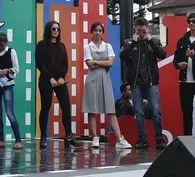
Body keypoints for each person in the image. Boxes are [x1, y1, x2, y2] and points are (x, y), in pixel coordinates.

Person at [83, 22, 132, 149]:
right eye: (95, 30)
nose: (98, 32)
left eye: (100, 30)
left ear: (103, 32)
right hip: (92, 79)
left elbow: (110, 63)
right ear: (92, 31)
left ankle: (120, 138)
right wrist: (100, 62)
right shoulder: (88, 47)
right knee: (92, 109)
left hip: (105, 78)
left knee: (110, 109)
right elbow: (89, 64)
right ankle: (95, 137)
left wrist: (95, 61)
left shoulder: (108, 46)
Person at [120, 17, 167, 149]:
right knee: (139, 111)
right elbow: (123, 56)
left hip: (151, 81)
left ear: (147, 29)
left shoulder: (154, 41)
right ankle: (142, 138)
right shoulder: (129, 42)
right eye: (139, 31)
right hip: (136, 81)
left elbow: (163, 54)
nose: (141, 34)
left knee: (156, 110)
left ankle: (158, 138)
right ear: (135, 30)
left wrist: (151, 40)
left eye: (143, 31)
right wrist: (133, 43)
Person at [35, 21, 79, 149]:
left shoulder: (62, 46)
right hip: (46, 80)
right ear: (48, 30)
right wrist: (50, 78)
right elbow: (39, 64)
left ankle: (69, 136)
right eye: (53, 29)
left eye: (58, 29)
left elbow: (65, 64)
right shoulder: (41, 45)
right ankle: (43, 137)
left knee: (66, 106)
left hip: (60, 81)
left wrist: (61, 78)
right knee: (45, 107)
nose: (56, 31)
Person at [0, 32, 23, 149]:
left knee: (9, 112)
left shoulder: (11, 52)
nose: (2, 45)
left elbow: (17, 68)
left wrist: (8, 70)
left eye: (4, 43)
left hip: (7, 84)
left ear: (6, 42)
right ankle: (1, 140)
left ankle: (18, 140)